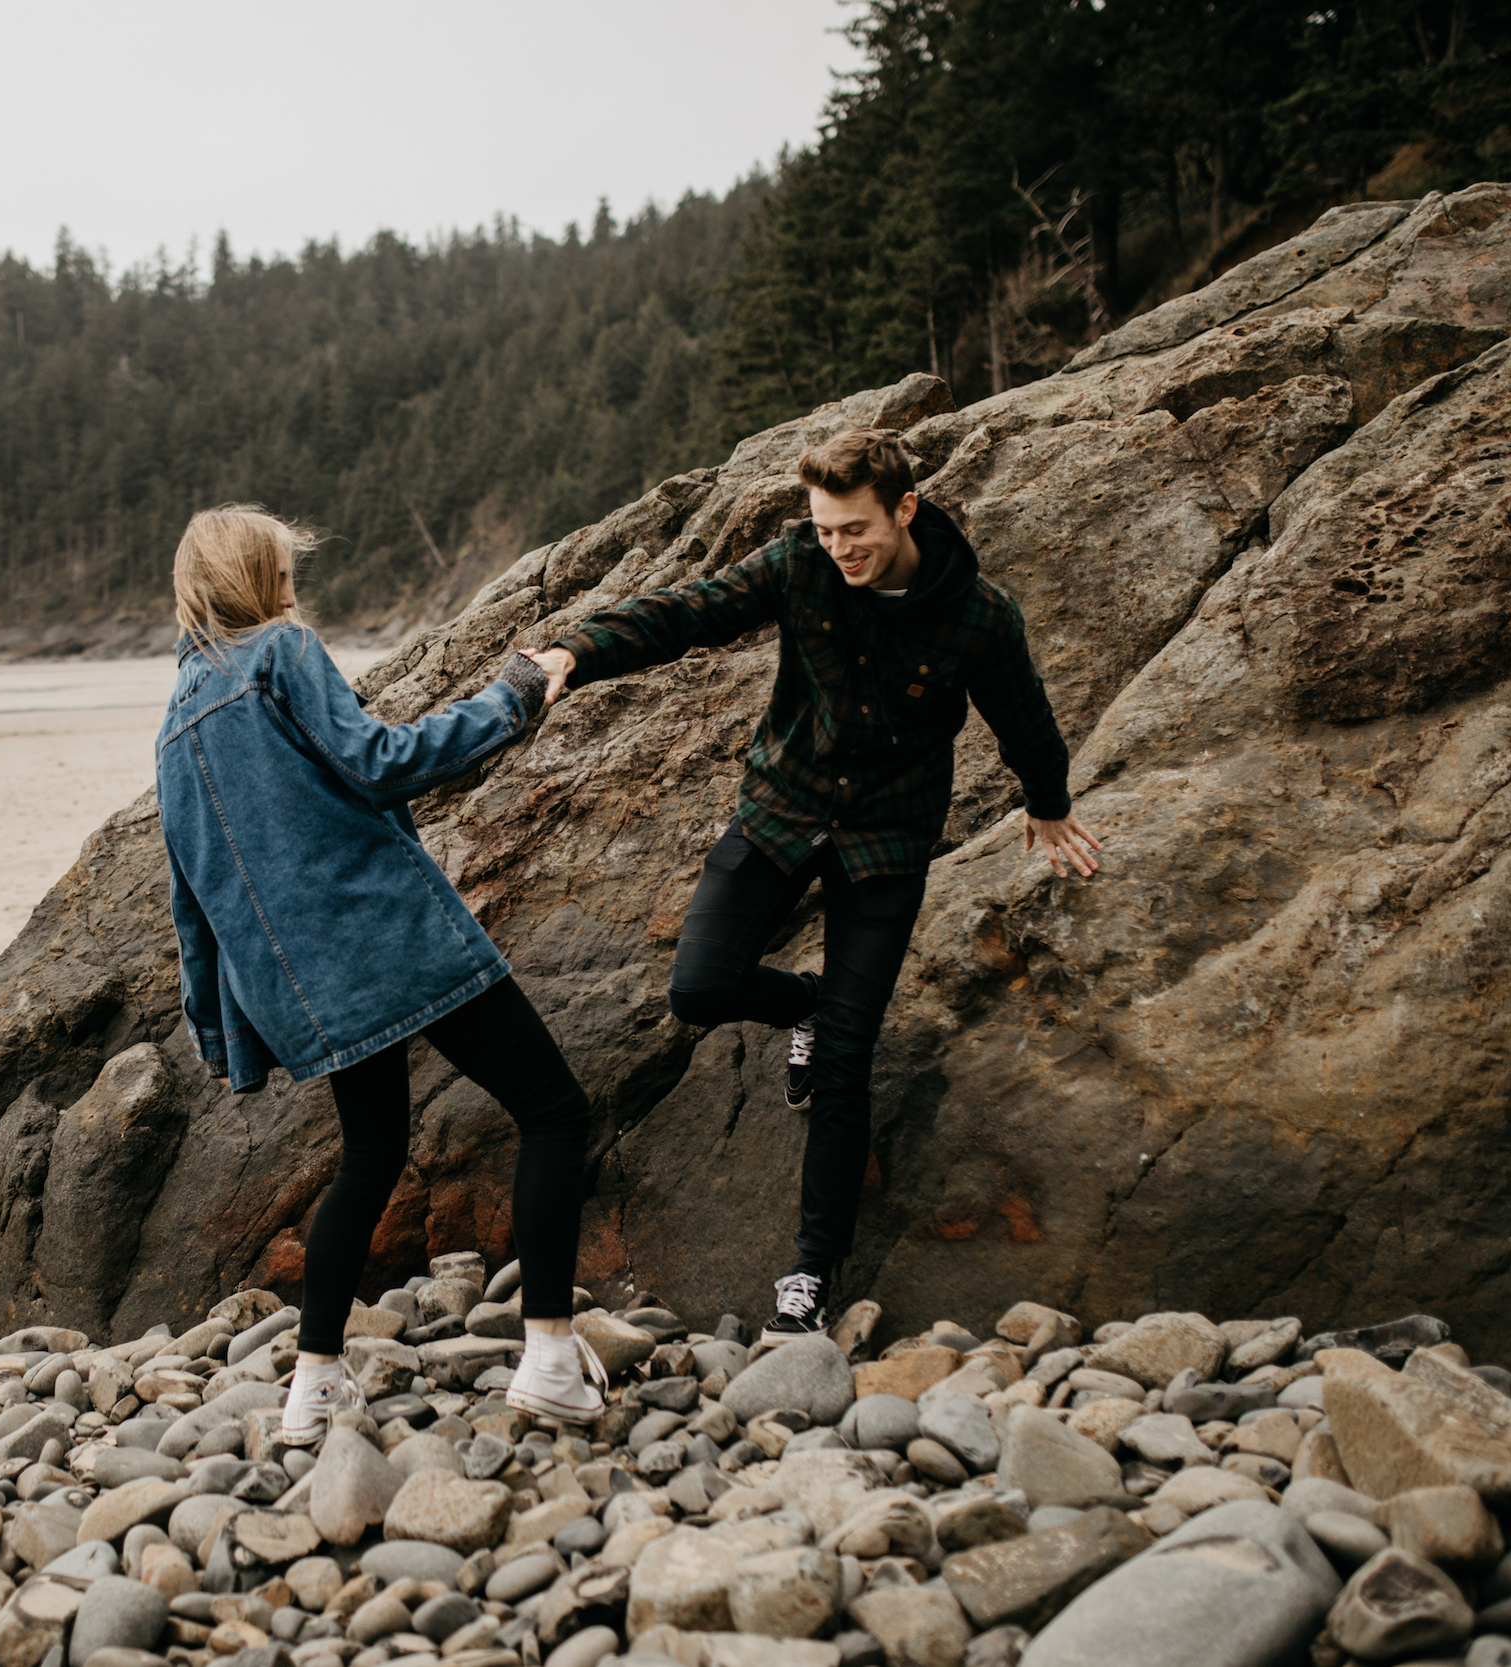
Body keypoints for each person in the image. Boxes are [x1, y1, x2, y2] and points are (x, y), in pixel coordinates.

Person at [525, 429, 1102, 1341]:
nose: (841, 549)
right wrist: (580, 652)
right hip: (783, 809)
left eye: (856, 531)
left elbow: (1020, 710)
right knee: (700, 987)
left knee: (844, 1064)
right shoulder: (801, 563)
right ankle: (807, 1002)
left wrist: (1050, 800)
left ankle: (808, 1272)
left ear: (905, 508)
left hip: (886, 840)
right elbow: (694, 611)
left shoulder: (977, 614)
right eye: (827, 530)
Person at [157, 504, 606, 1444]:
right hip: (390, 937)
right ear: (255, 578)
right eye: (282, 565)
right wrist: (516, 693)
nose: (292, 582)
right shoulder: (283, 653)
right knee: (555, 1112)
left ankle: (313, 1387)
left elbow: (191, 897)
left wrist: (219, 1032)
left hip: (309, 986)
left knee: (371, 1156)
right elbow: (381, 763)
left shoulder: (176, 723)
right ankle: (552, 1359)